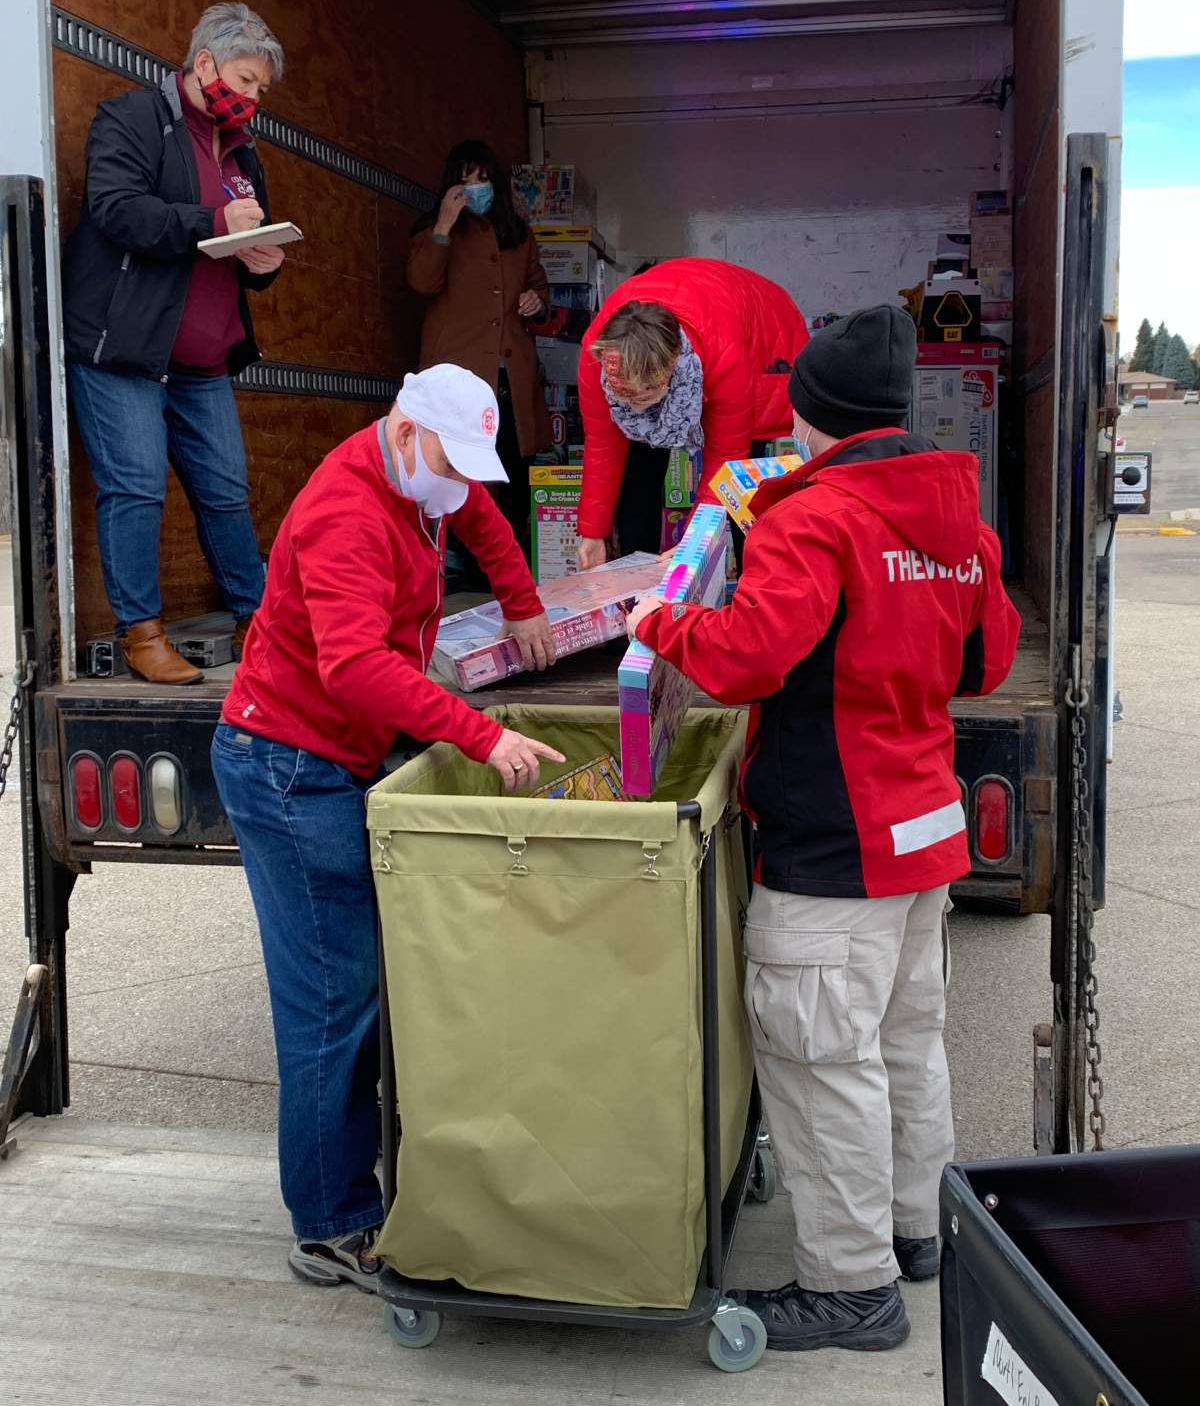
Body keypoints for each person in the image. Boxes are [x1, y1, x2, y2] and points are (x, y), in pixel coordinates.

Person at [626, 305, 1020, 1353]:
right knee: (905, 1045)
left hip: (834, 848)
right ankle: (914, 1231)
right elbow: (984, 665)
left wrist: (657, 616)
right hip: (923, 832)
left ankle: (851, 1287)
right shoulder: (960, 522)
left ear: (815, 415)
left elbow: (749, 656)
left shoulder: (816, 516)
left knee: (819, 1058)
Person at [211, 363, 563, 1291]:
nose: (457, 489)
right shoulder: (348, 513)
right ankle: (330, 1222)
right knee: (333, 1000)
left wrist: (524, 603)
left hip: (337, 757)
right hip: (289, 765)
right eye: (448, 465)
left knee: (363, 985)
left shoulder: (426, 483)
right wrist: (482, 734)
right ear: (404, 432)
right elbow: (355, 668)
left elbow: (480, 515)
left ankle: (360, 1185)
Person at [62, 2, 287, 685]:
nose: (251, 99)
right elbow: (116, 208)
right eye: (245, 80)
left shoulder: (244, 153)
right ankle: (142, 633)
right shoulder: (130, 118)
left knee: (225, 491)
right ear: (205, 64)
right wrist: (210, 219)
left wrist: (264, 262)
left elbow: (245, 238)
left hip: (204, 358)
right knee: (134, 489)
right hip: (125, 350)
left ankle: (260, 621)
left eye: (261, 91)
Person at [575, 258, 810, 566]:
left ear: (671, 372)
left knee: (744, 492)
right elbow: (603, 446)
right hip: (692, 310)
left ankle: (751, 589)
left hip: (759, 337)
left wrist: (695, 543)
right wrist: (593, 534)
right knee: (636, 471)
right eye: (622, 394)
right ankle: (636, 579)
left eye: (642, 394)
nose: (630, 405)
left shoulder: (724, 351)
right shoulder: (598, 354)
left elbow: (726, 459)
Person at [407, 140, 552, 548]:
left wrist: (537, 301)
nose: (474, 187)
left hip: (510, 370)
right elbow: (421, 282)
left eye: (483, 179)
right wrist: (443, 226)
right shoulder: (431, 229)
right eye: (465, 179)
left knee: (510, 463)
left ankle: (505, 553)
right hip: (457, 372)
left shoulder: (519, 236)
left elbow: (540, 290)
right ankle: (466, 560)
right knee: (458, 466)